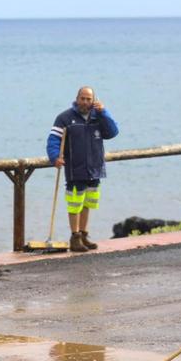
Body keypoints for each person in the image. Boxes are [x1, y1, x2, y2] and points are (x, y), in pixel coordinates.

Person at [45, 86, 119, 252]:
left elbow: (112, 132)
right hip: (75, 168)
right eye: (82, 98)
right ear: (77, 99)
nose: (85, 102)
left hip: (95, 168)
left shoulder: (98, 117)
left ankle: (84, 235)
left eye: (88, 99)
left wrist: (104, 113)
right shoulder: (65, 118)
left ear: (93, 100)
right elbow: (53, 140)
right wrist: (55, 157)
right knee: (74, 204)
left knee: (88, 203)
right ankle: (75, 237)